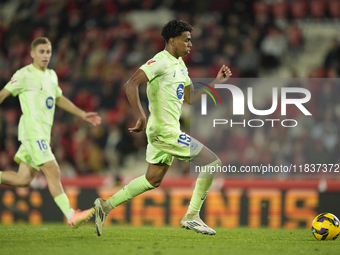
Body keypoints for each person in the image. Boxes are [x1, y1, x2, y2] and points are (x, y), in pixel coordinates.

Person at [94, 20, 231, 236]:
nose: (190, 44)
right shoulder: (160, 61)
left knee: (152, 180)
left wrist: (216, 82)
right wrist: (141, 115)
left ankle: (105, 206)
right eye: (186, 40)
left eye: (191, 40)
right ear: (172, 40)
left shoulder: (180, 66)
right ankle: (192, 216)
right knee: (212, 162)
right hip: (164, 131)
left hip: (166, 131)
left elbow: (190, 98)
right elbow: (131, 84)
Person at [0, 37, 101, 228]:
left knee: (22, 180)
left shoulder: (52, 75)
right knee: (53, 170)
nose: (45, 55)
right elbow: (3, 94)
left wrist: (82, 114)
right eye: (41, 52)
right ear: (32, 53)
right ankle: (71, 215)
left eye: (48, 52)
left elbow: (59, 98)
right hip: (32, 132)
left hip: (42, 134)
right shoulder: (24, 74)